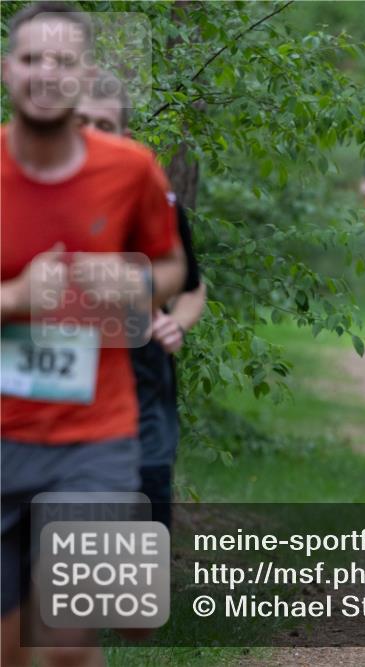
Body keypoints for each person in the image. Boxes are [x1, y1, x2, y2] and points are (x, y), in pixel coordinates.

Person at [1, 3, 185, 664]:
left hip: (95, 432)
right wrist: (18, 297)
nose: (46, 74)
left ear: (85, 75)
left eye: (63, 61)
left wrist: (131, 285)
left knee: (76, 630)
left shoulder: (131, 169)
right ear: (6, 68)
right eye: (31, 59)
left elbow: (173, 269)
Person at [75, 70, 207, 530]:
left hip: (140, 395)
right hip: (50, 400)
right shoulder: (23, 193)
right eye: (80, 123)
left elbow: (192, 283)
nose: (91, 137)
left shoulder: (153, 200)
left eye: (104, 127)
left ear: (125, 137)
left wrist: (178, 324)